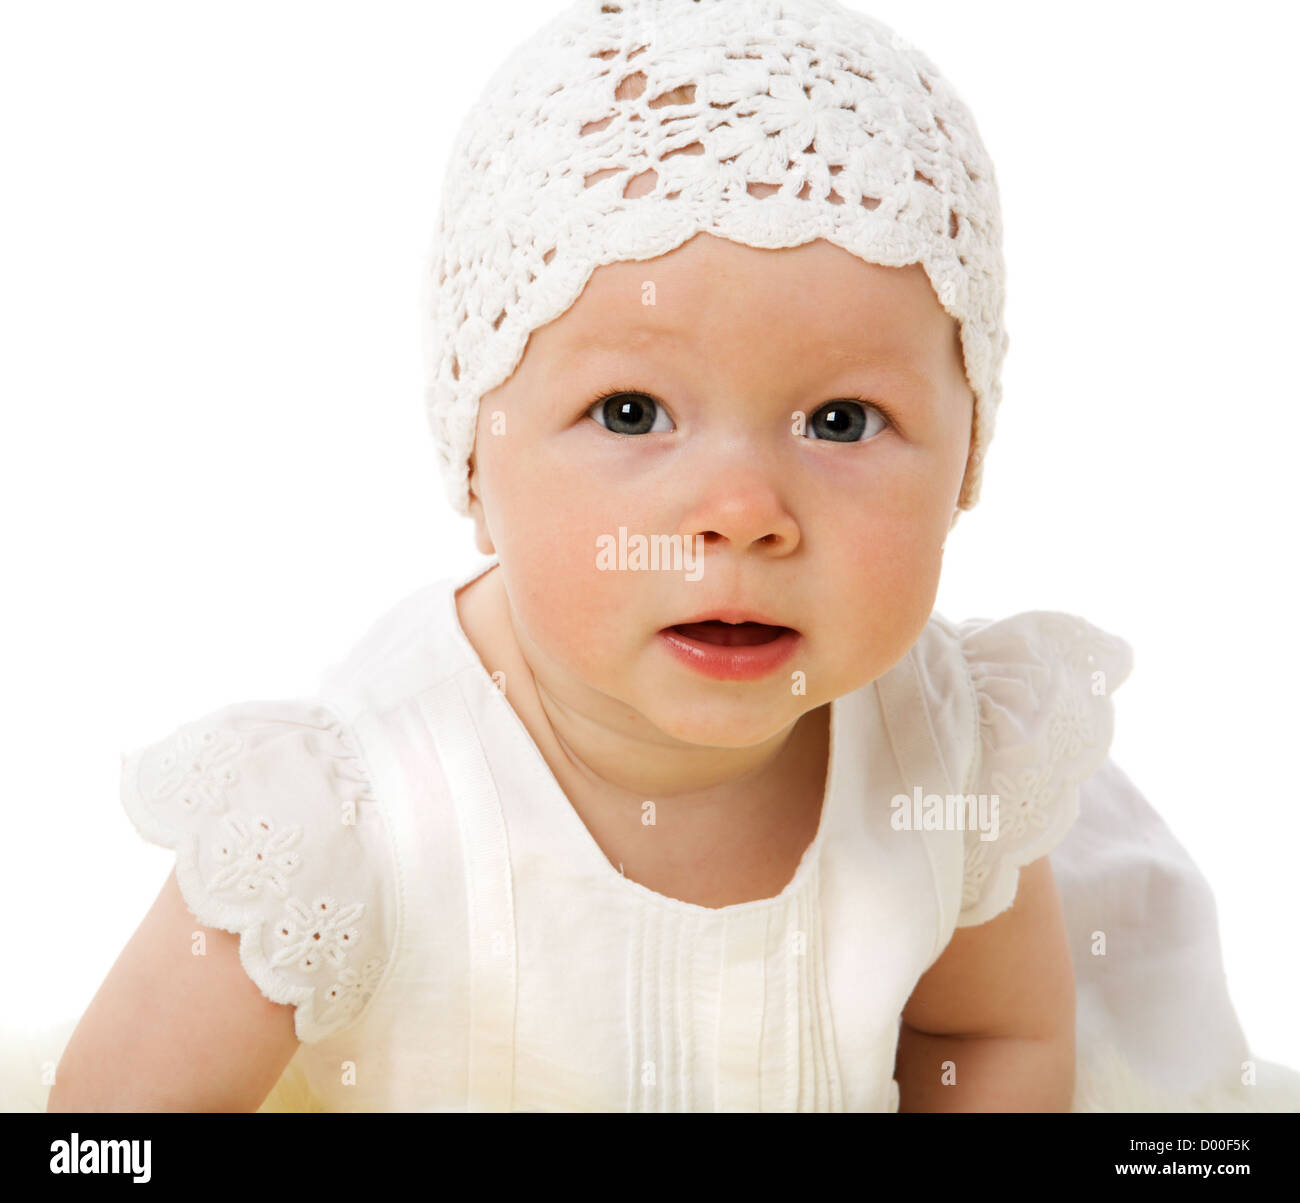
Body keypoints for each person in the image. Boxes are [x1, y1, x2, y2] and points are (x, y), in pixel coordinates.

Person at [40, 0, 1300, 1112]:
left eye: (843, 421)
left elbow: (987, 1030)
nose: (744, 512)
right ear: (476, 463)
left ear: (967, 461)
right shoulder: (355, 818)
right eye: (632, 414)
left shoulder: (942, 761)